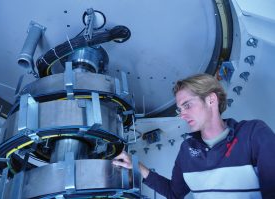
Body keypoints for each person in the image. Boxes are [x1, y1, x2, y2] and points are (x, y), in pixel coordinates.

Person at [112, 73, 275, 199]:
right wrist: (137, 167)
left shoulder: (253, 133)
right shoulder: (187, 149)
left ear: (211, 100)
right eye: (179, 109)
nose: (182, 115)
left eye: (187, 105)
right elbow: (174, 193)